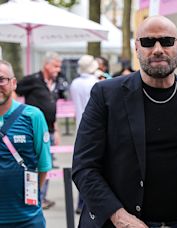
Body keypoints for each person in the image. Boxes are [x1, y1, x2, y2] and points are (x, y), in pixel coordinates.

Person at [72, 15, 177, 228]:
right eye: (148, 42)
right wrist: (120, 217)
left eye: (166, 41)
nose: (158, 49)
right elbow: (84, 167)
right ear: (136, 47)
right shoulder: (106, 95)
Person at [0, 60, 52, 227]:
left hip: (27, 219)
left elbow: (44, 165)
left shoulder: (32, 116)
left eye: (2, 79)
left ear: (14, 83)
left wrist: (31, 198)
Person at [15, 51, 62, 209]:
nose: (58, 69)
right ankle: (34, 197)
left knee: (46, 164)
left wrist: (57, 129)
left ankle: (42, 196)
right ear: (46, 65)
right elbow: (14, 90)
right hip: (32, 129)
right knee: (32, 163)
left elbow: (52, 106)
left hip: (49, 129)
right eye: (55, 65)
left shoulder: (55, 82)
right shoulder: (32, 80)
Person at [69, 54, 99, 214]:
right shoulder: (94, 83)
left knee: (83, 165)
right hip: (93, 129)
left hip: (80, 127)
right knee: (92, 167)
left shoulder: (75, 83)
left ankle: (80, 203)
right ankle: (86, 203)